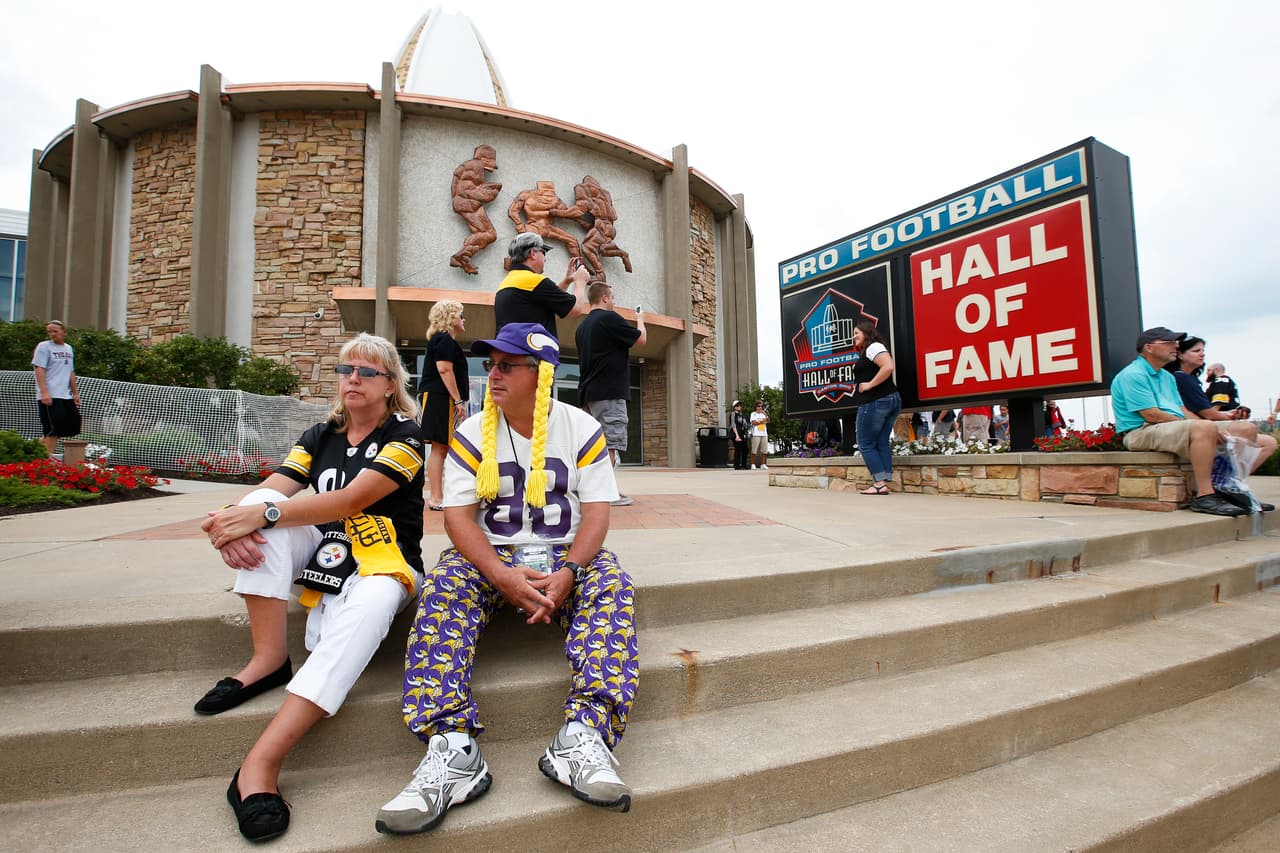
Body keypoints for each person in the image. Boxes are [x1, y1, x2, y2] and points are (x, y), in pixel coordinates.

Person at [377, 323, 638, 835]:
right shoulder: (473, 431)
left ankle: (583, 735)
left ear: (541, 375)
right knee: (444, 584)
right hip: (490, 557)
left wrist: (570, 572)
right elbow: (457, 518)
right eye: (490, 363)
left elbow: (598, 515)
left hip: (563, 555)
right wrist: (499, 576)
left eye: (506, 365)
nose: (491, 373)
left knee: (612, 583)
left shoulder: (582, 427)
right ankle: (452, 750)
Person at [197, 333, 425, 842]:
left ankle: (258, 766)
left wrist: (259, 515)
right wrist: (228, 521)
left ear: (391, 385)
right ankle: (268, 660)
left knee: (373, 602)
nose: (353, 380)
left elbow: (348, 501)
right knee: (256, 504)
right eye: (346, 370)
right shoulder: (320, 434)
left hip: (383, 561)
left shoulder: (407, 436)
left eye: (367, 372)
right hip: (323, 556)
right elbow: (273, 490)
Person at [1110, 326, 1261, 517]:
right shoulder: (1133, 374)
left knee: (1245, 429)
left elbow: (1183, 411)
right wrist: (1205, 427)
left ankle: (1229, 488)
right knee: (1204, 427)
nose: (1176, 346)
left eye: (1176, 342)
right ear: (1149, 347)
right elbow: (1152, 415)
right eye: (1169, 342)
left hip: (1168, 426)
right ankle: (1204, 496)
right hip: (1141, 431)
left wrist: (1210, 427)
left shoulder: (1166, 376)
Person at [1163, 336, 1275, 511]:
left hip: (1201, 423)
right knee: (1246, 429)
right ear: (1181, 355)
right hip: (1192, 426)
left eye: (1203, 351)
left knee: (1269, 443)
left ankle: (1232, 486)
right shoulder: (1180, 377)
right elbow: (1207, 412)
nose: (1202, 354)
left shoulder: (1191, 379)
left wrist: (1229, 415)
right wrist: (1227, 418)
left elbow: (1208, 411)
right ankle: (1220, 489)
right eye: (1196, 351)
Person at [576, 281, 647, 506]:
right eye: (613, 297)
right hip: (609, 392)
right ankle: (606, 494)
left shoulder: (583, 326)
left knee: (591, 445)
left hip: (589, 393)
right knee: (610, 444)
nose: (614, 301)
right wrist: (640, 320)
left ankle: (589, 491)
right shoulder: (609, 318)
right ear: (605, 298)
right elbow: (641, 339)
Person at [419, 300, 470, 511]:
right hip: (441, 397)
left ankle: (438, 496)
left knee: (442, 447)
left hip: (439, 396)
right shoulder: (444, 340)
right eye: (460, 315)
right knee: (440, 448)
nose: (463, 319)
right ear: (451, 318)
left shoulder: (443, 340)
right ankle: (436, 498)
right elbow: (444, 370)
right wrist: (458, 400)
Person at [494, 232, 589, 341]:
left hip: (511, 350)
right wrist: (580, 282)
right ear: (533, 253)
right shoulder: (535, 281)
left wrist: (567, 281)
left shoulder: (509, 281)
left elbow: (548, 300)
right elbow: (575, 309)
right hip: (532, 354)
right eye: (543, 252)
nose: (545, 259)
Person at [851, 319, 902, 495]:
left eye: (857, 332)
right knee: (881, 442)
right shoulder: (872, 349)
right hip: (889, 400)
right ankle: (885, 480)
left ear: (866, 333)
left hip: (875, 401)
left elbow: (888, 366)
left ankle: (879, 483)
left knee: (865, 443)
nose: (854, 336)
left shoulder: (873, 347)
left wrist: (870, 384)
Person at [448, 145, 503, 275]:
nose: (490, 169)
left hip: (468, 203)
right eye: (490, 163)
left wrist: (489, 188)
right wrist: (489, 194)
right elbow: (466, 190)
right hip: (468, 204)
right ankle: (461, 256)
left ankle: (463, 257)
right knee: (489, 234)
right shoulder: (475, 166)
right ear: (483, 158)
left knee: (484, 233)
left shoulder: (470, 166)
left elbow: (465, 187)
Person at [31, 320, 81, 456]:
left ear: (64, 332)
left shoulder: (68, 348)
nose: (52, 334)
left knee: (73, 424)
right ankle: (47, 458)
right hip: (50, 393)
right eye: (49, 332)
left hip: (65, 394)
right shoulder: (44, 346)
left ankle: (33, 445)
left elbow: (71, 371)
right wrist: (44, 392)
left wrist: (75, 393)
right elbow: (39, 368)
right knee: (54, 428)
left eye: (55, 331)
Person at [749, 400, 770, 470]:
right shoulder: (753, 414)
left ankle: (763, 464)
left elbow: (768, 420)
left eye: (761, 406)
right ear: (756, 407)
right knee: (754, 450)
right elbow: (753, 422)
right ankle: (752, 464)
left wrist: (766, 414)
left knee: (764, 450)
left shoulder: (763, 414)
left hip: (764, 433)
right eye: (758, 406)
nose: (760, 408)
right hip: (756, 433)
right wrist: (762, 421)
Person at [730, 400, 750, 469]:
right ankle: (737, 465)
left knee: (746, 449)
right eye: (737, 405)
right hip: (736, 434)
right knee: (738, 449)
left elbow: (745, 425)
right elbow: (733, 425)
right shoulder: (733, 414)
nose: (739, 406)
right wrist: (737, 435)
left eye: (740, 405)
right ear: (734, 407)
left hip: (742, 434)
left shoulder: (741, 415)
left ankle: (744, 465)